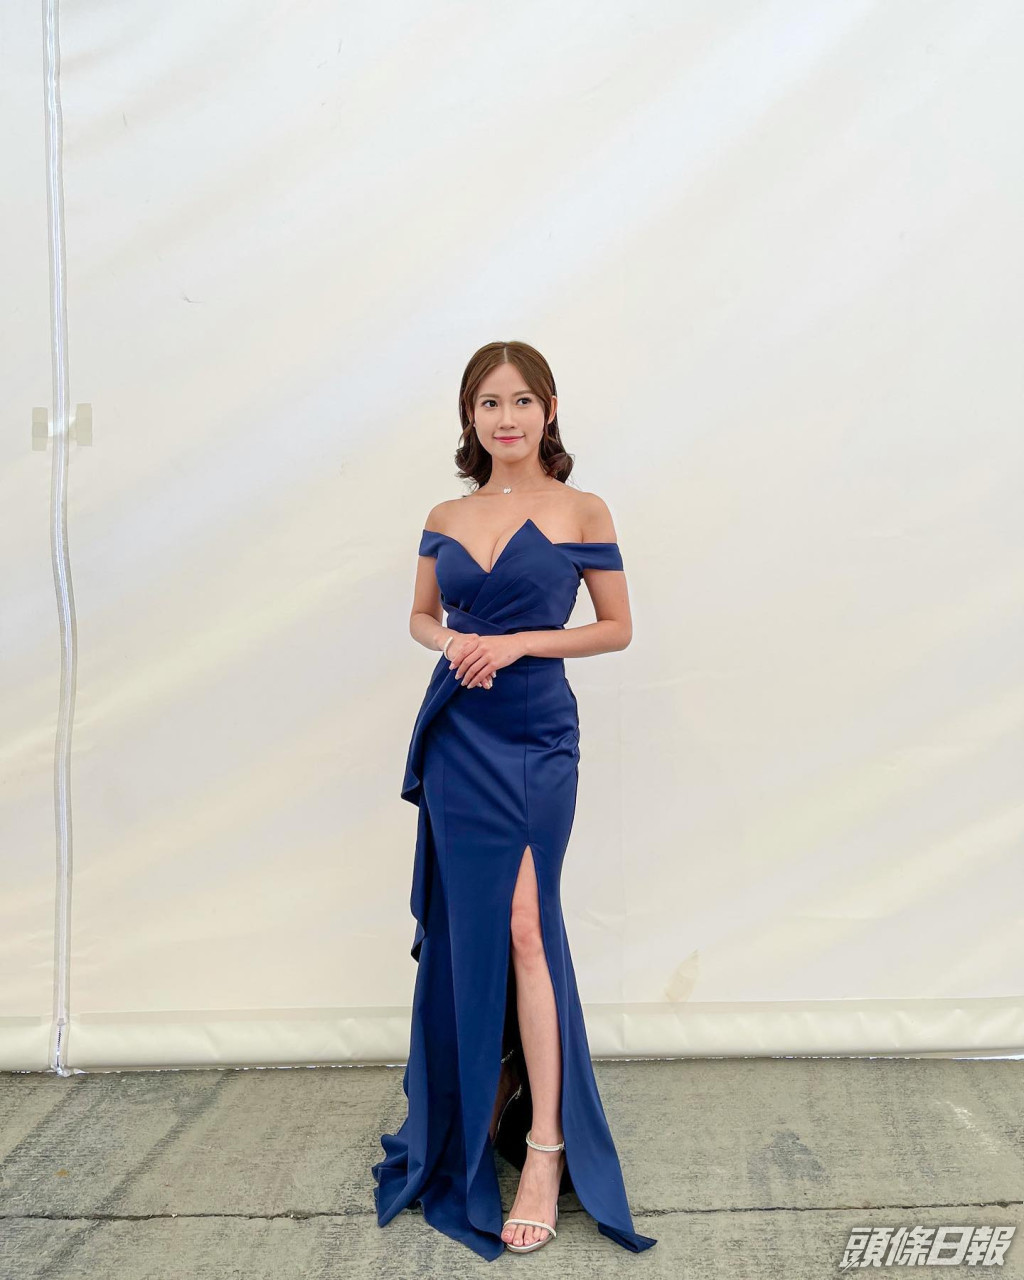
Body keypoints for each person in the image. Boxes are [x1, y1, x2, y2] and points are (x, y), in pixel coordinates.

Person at [371, 340, 657, 1260]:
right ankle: (486, 1097)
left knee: (529, 926)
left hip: (535, 736)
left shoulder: (582, 508)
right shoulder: (446, 514)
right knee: (474, 928)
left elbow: (616, 628)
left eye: (522, 401)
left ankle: (546, 1147)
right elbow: (422, 615)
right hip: (458, 731)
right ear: (470, 416)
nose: (506, 418)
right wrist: (449, 644)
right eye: (489, 403)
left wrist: (520, 643)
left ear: (550, 409)